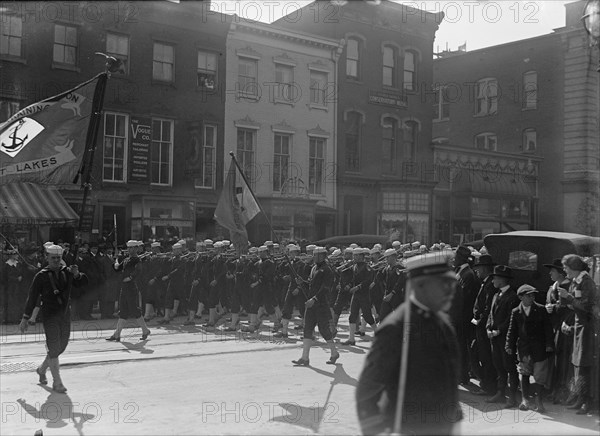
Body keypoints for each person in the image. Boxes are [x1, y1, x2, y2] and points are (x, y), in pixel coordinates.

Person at [356, 251, 462, 436]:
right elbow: (367, 391)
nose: (450, 291)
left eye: (451, 284)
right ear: (419, 286)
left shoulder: (443, 323)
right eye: (443, 284)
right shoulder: (396, 327)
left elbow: (448, 382)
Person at [19, 244, 88, 393]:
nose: (56, 260)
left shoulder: (67, 272)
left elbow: (83, 283)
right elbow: (32, 298)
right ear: (47, 258)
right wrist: (25, 318)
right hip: (49, 315)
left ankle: (41, 369)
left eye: (59, 258)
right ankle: (57, 382)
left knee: (61, 347)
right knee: (54, 347)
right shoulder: (41, 276)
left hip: (64, 315)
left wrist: (77, 275)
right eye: (53, 258)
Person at [505, 284, 554, 412]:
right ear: (521, 297)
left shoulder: (541, 309)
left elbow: (548, 329)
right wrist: (509, 345)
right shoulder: (516, 312)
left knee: (540, 374)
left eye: (533, 295)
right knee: (524, 372)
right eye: (528, 295)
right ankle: (525, 399)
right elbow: (512, 330)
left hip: (540, 348)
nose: (531, 298)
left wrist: (549, 344)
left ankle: (538, 400)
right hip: (524, 348)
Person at [559, 254, 596, 415]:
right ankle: (580, 398)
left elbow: (586, 307)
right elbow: (574, 305)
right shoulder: (576, 281)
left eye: (566, 267)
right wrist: (564, 299)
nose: (564, 270)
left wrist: (569, 298)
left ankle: (585, 401)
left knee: (583, 364)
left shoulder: (586, 282)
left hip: (587, 327)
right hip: (578, 325)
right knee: (576, 363)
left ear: (574, 267)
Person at [291, 247, 339, 366]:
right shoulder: (314, 268)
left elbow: (326, 288)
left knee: (323, 330)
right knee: (307, 329)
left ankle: (334, 353)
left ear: (322, 256)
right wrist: (302, 282)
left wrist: (315, 299)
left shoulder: (327, 270)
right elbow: (311, 285)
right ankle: (305, 358)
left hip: (321, 304)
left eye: (316, 255)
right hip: (311, 304)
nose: (314, 257)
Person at [485, 265, 520, 408]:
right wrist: (488, 328)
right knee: (498, 365)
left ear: (503, 280)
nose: (493, 280)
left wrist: (499, 330)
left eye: (496, 278)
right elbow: (491, 315)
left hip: (505, 337)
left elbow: (510, 318)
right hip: (494, 336)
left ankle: (512, 396)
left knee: (509, 366)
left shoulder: (513, 296)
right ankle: (501, 392)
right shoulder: (496, 295)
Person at [106, 240, 151, 342]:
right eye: (129, 248)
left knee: (134, 309)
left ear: (136, 249)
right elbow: (117, 268)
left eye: (132, 248)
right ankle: (117, 334)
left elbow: (138, 270)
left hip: (131, 287)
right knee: (123, 311)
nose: (130, 249)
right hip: (124, 287)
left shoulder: (136, 259)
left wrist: (130, 277)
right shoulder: (126, 259)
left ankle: (145, 330)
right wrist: (116, 260)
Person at [543, 258, 573, 404]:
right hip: (554, 328)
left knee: (563, 361)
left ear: (561, 273)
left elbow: (568, 308)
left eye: (553, 271)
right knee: (555, 360)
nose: (550, 273)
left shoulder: (567, 287)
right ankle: (553, 390)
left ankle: (561, 392)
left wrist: (552, 308)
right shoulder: (552, 287)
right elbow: (548, 303)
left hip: (564, 328)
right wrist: (548, 307)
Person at [471, 254, 498, 395]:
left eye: (479, 268)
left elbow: (488, 308)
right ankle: (486, 383)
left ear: (485, 269)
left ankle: (489, 387)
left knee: (486, 357)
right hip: (479, 325)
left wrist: (480, 321)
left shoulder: (490, 285)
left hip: (483, 326)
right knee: (477, 353)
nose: (477, 271)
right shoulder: (485, 283)